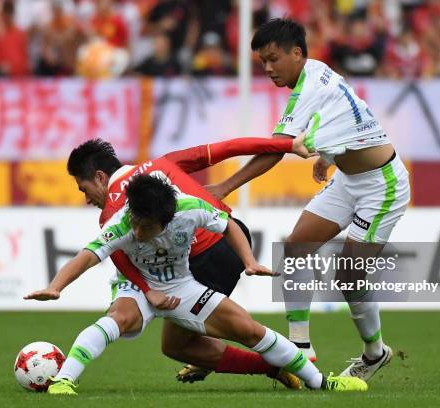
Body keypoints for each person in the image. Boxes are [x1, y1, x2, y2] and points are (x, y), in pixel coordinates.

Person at [25, 173, 368, 395]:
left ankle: (322, 382)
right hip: (138, 286)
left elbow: (230, 225)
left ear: (167, 219)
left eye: (145, 228)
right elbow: (87, 255)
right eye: (135, 224)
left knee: (248, 329)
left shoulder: (190, 209)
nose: (137, 233)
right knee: (119, 319)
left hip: (181, 285)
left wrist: (248, 261)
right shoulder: (123, 222)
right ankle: (64, 380)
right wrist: (57, 286)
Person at [206, 18, 411, 381]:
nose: (268, 68)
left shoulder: (307, 89)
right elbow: (352, 117)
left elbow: (275, 150)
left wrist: (225, 187)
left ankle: (375, 353)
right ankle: (300, 347)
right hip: (349, 180)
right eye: (262, 62)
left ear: (296, 53)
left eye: (273, 59)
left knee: (349, 275)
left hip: (383, 187)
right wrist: (329, 156)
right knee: (296, 247)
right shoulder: (316, 72)